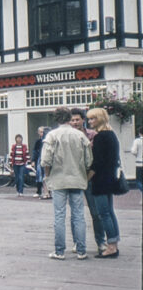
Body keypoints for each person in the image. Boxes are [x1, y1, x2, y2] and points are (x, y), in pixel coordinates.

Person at [40, 107, 92, 260]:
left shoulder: (52, 135)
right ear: (69, 118)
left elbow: (45, 160)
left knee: (59, 216)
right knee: (79, 215)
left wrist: (47, 177)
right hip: (77, 179)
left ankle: (59, 251)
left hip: (58, 180)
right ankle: (81, 250)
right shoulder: (80, 136)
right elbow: (89, 161)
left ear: (56, 119)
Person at [87, 108, 121, 259]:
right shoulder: (112, 134)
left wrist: (87, 178)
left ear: (100, 119)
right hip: (110, 178)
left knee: (103, 213)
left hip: (100, 180)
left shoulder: (100, 137)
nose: (89, 122)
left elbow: (97, 163)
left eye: (92, 119)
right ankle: (114, 243)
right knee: (110, 212)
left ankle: (111, 247)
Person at [70, 107, 105, 254]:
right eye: (72, 120)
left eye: (77, 119)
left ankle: (101, 241)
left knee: (96, 212)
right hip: (74, 177)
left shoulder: (93, 135)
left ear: (83, 120)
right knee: (75, 213)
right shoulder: (68, 135)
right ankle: (77, 242)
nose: (75, 122)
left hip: (90, 177)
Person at [32, 126, 50, 199]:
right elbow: (35, 151)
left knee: (46, 175)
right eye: (41, 132)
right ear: (38, 133)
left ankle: (48, 192)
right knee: (39, 176)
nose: (43, 133)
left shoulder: (48, 140)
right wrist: (33, 160)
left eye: (43, 132)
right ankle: (39, 191)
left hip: (46, 159)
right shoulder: (38, 141)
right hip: (40, 160)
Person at [130, 127, 143, 193]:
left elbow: (133, 151)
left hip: (139, 164)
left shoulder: (137, 141)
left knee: (138, 181)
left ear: (139, 133)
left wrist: (137, 155)